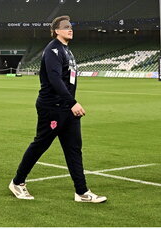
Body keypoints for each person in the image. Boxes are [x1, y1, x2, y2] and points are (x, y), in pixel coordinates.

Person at [9, 16, 106, 203]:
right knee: (40, 144)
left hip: (66, 108)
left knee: (74, 150)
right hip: (51, 107)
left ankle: (82, 192)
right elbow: (55, 80)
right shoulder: (53, 49)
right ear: (56, 31)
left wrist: (70, 104)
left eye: (71, 26)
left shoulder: (66, 50)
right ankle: (17, 182)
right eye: (65, 27)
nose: (70, 29)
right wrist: (73, 103)